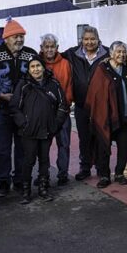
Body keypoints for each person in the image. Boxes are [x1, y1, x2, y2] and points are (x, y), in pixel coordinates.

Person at [0, 18, 38, 198]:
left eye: (21, 36)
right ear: (6, 38)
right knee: (2, 148)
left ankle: (20, 180)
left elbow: (38, 76)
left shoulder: (30, 54)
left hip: (23, 110)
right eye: (15, 36)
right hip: (2, 109)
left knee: (22, 147)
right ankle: (3, 182)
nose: (19, 40)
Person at [10, 54, 70, 204]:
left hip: (47, 130)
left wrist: (56, 123)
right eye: (32, 67)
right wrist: (23, 123)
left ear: (43, 67)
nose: (36, 69)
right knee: (28, 160)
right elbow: (14, 107)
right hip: (28, 131)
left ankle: (43, 188)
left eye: (38, 66)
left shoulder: (54, 84)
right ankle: (26, 191)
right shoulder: (23, 85)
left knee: (44, 160)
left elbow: (63, 105)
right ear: (28, 69)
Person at [84, 41, 127, 188]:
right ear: (111, 54)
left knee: (123, 147)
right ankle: (104, 175)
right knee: (103, 147)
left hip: (124, 116)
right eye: (118, 51)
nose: (121, 54)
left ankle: (119, 173)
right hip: (106, 117)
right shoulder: (102, 69)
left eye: (124, 52)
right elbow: (95, 92)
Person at [63, 26, 109, 181]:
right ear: (81, 40)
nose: (89, 42)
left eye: (92, 39)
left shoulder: (108, 53)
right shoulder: (71, 54)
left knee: (101, 138)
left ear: (98, 39)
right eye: (86, 39)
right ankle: (85, 168)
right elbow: (53, 60)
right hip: (82, 104)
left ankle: (102, 169)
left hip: (102, 106)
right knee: (84, 138)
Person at [40, 34, 74, 186]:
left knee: (64, 144)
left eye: (52, 46)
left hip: (62, 111)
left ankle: (63, 174)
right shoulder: (36, 63)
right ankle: (43, 175)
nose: (49, 49)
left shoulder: (66, 64)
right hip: (43, 113)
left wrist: (65, 105)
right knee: (43, 147)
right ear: (41, 48)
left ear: (57, 48)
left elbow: (69, 86)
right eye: (46, 46)